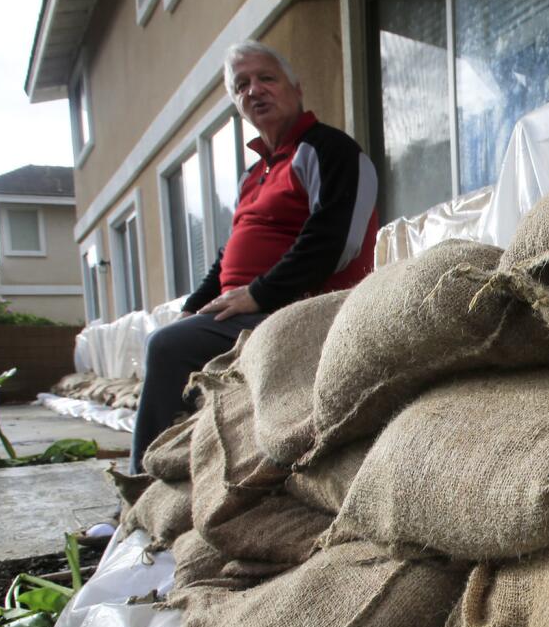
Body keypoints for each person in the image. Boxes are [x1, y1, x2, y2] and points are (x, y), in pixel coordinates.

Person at [129, 41, 379, 473]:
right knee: (177, 336)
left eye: (267, 78)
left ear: (296, 88)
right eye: (241, 85)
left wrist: (261, 293)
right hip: (251, 309)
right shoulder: (255, 173)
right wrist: (193, 307)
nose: (255, 90)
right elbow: (231, 253)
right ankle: (189, 464)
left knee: (167, 349)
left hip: (302, 309)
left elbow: (337, 241)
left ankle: (141, 484)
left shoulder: (327, 149)